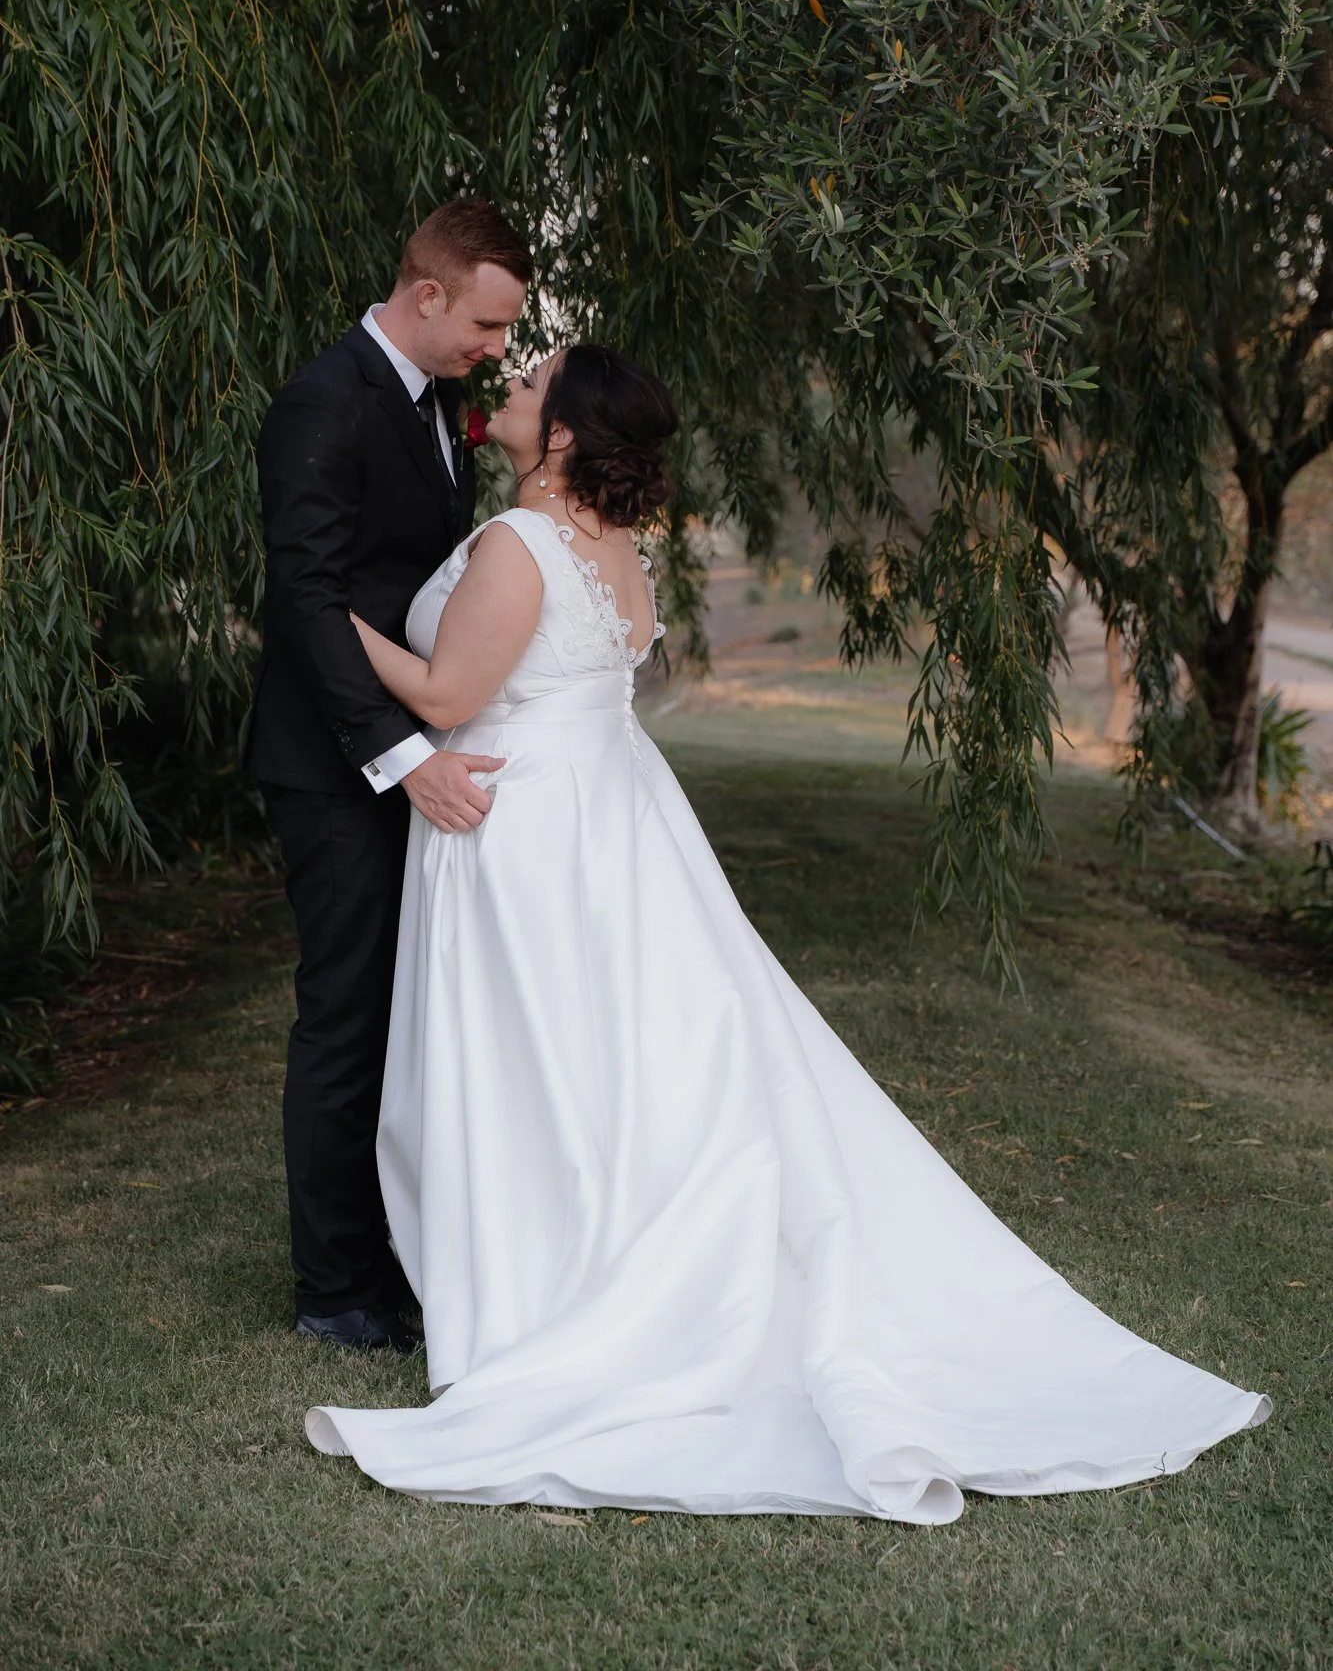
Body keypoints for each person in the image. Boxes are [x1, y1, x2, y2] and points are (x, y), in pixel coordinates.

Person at [305, 344, 1269, 1524]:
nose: (505, 383)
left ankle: (547, 1281)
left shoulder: (518, 545)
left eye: (528, 380)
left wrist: (328, 616)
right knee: (602, 1061)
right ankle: (568, 1251)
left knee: (539, 1060)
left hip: (530, 827)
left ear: (559, 435)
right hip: (609, 815)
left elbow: (450, 699)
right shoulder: (615, 550)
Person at [245, 198, 532, 1352]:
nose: (497, 349)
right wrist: (404, 756)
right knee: (347, 1015)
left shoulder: (437, 402)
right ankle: (335, 1290)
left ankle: (398, 1256)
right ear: (427, 293)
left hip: (403, 743)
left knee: (410, 1012)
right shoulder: (323, 402)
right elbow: (304, 598)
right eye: (487, 323)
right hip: (330, 765)